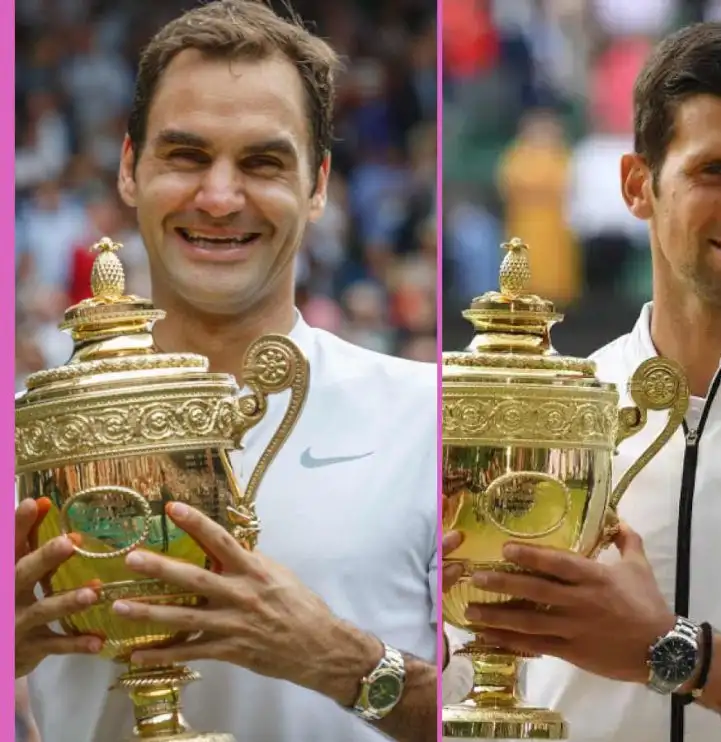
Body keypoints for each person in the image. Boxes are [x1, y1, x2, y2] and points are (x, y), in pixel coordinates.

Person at [441, 20, 721, 742]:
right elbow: (477, 675)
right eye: (715, 171)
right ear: (637, 185)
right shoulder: (543, 412)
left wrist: (685, 657)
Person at [14, 2, 440, 740]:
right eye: (185, 155)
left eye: (262, 162)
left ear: (317, 186)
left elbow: (523, 712)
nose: (217, 197)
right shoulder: (22, 431)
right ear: (128, 169)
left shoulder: (428, 418)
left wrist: (347, 664)